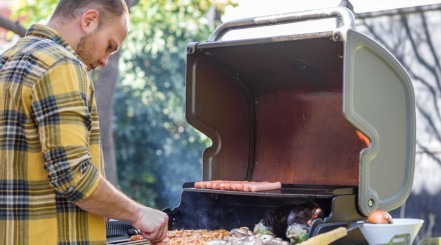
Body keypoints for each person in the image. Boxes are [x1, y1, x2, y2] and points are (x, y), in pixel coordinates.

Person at [0, 0, 168, 244]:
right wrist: (138, 213)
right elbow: (74, 176)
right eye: (109, 46)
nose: (104, 61)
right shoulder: (61, 64)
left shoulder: (6, 61)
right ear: (89, 20)